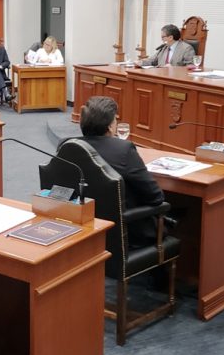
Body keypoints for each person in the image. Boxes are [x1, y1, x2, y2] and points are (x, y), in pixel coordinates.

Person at [69, 96, 164, 247]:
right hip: (124, 235)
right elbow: (156, 197)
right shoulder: (124, 150)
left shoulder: (69, 146)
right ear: (110, 127)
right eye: (115, 121)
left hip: (81, 231)